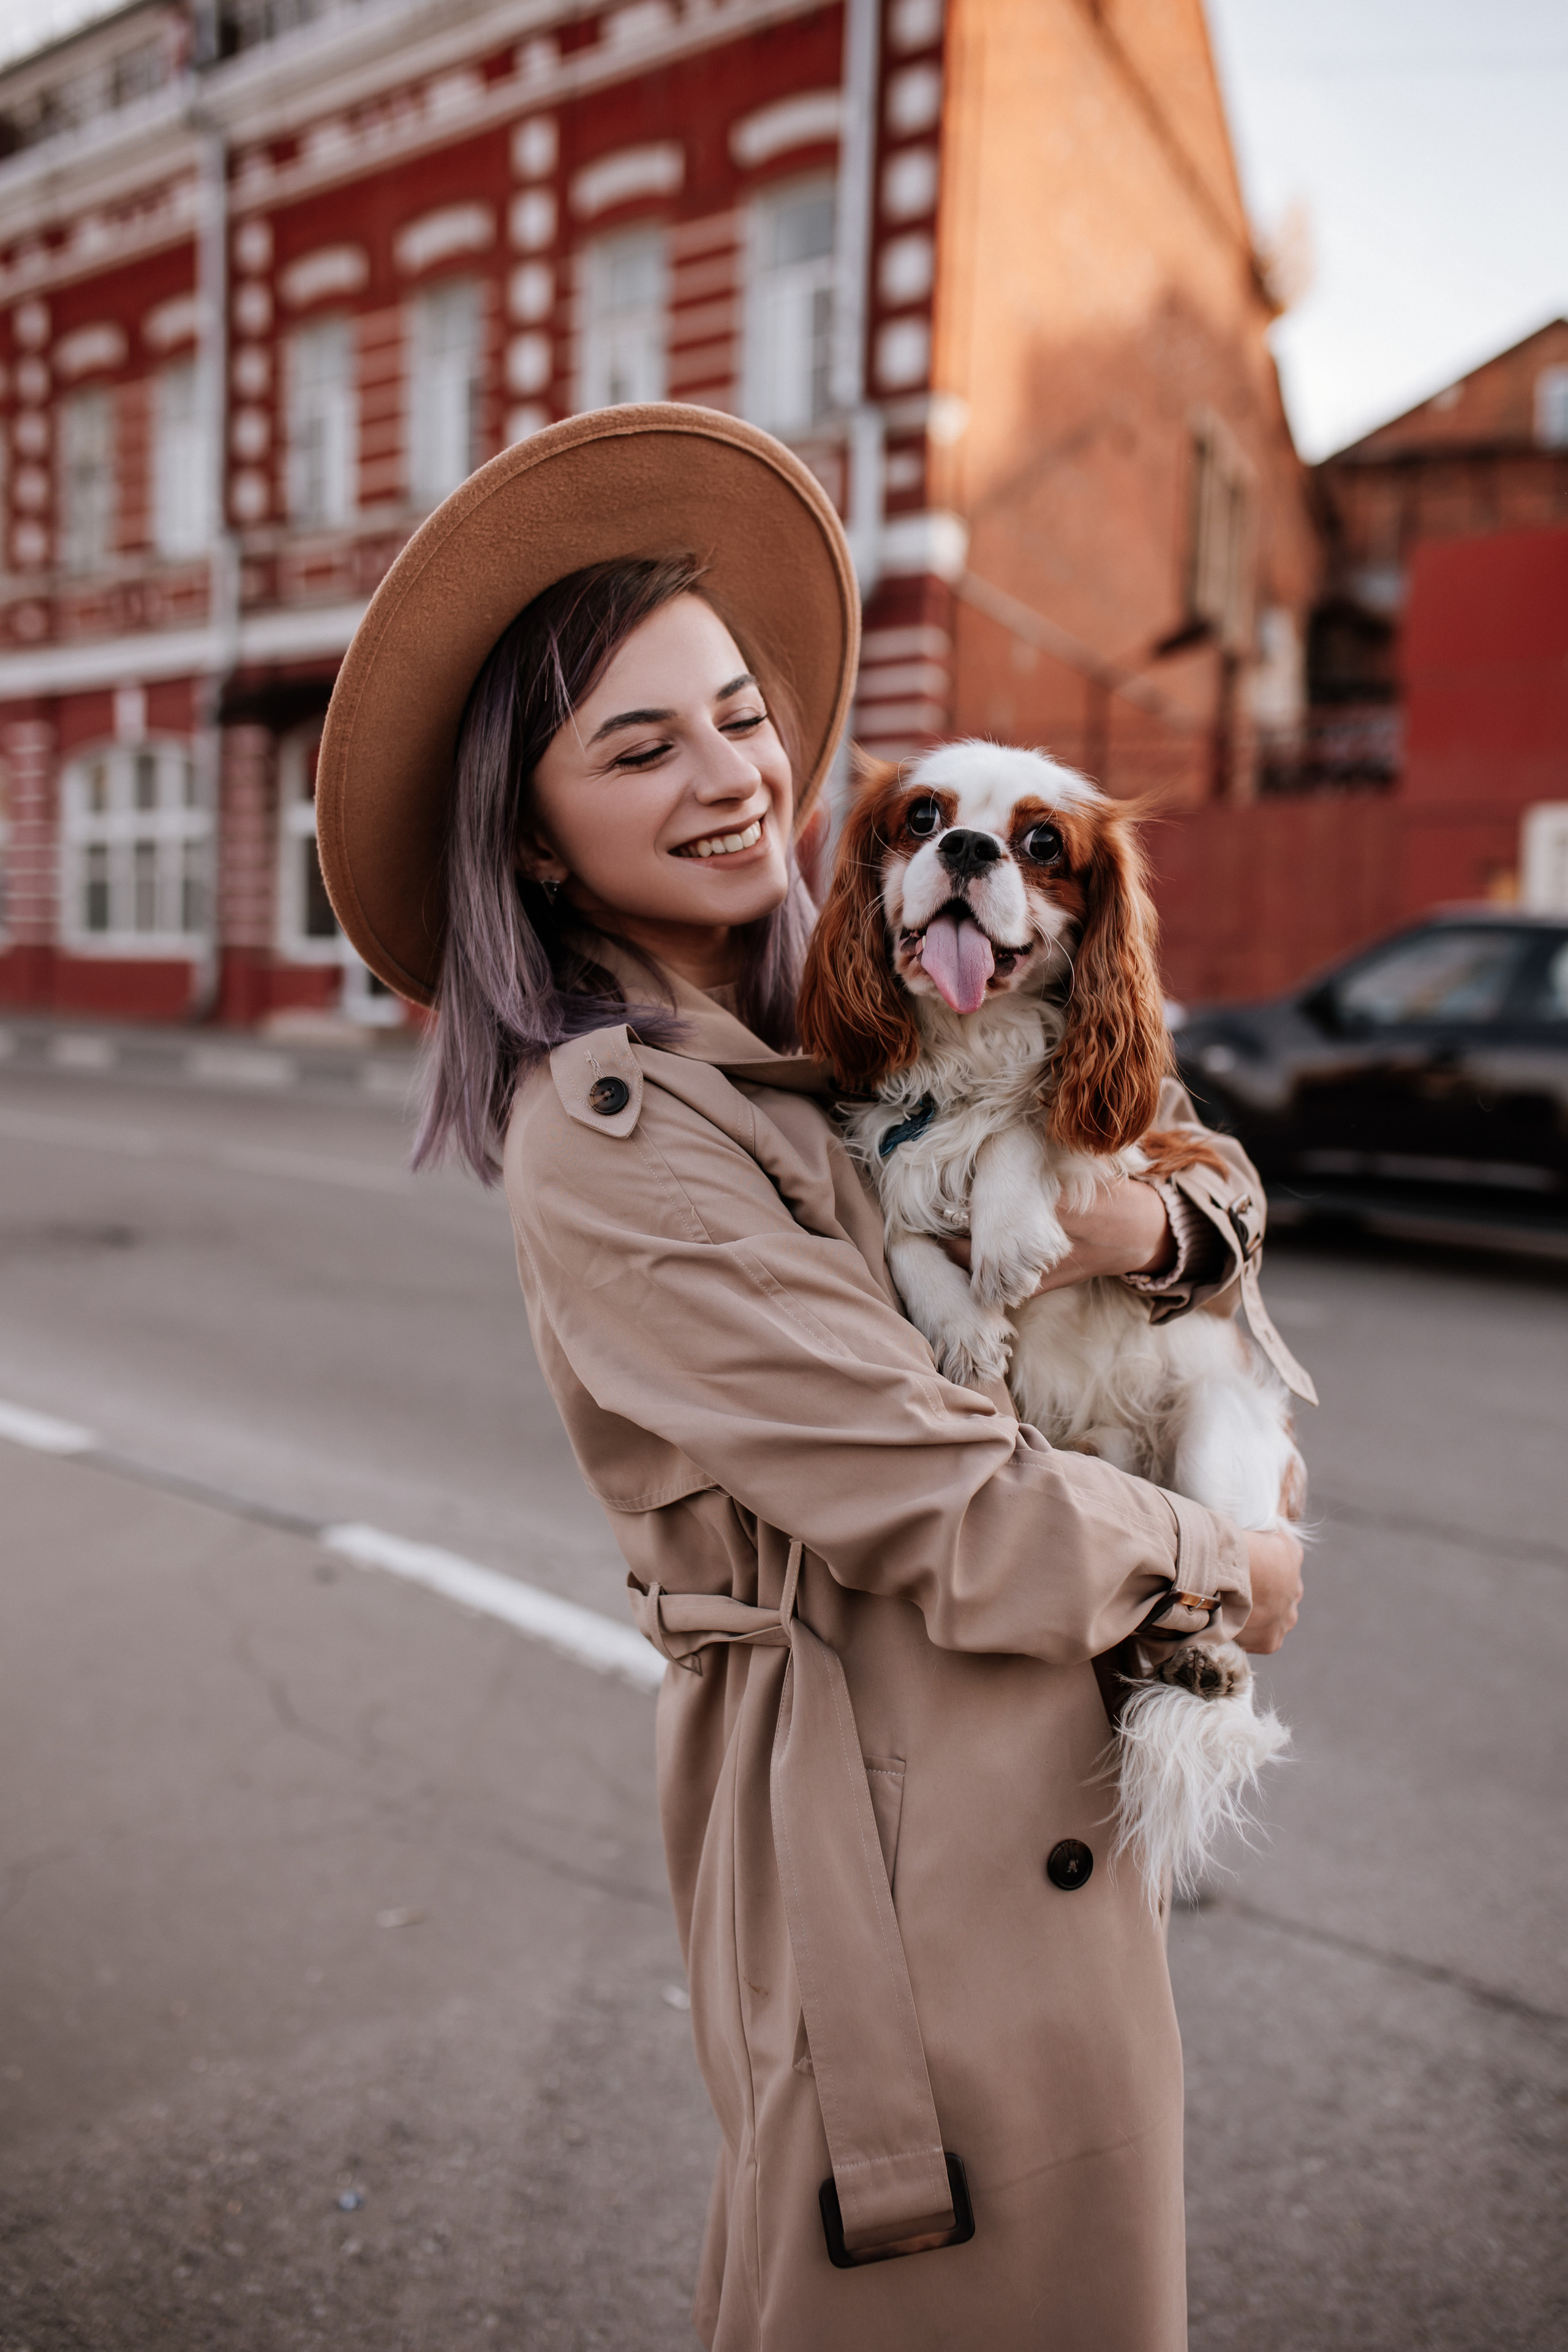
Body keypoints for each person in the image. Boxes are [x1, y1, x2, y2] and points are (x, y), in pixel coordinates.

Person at [317, 405, 1305, 2352]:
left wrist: (1147, 1232)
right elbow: (939, 1501)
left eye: (743, 715)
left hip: (1031, 1750)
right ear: (533, 834)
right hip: (889, 1828)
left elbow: (1189, 1154)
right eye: (641, 748)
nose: (732, 777)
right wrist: (1234, 1572)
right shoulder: (613, 1127)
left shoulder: (863, 987)